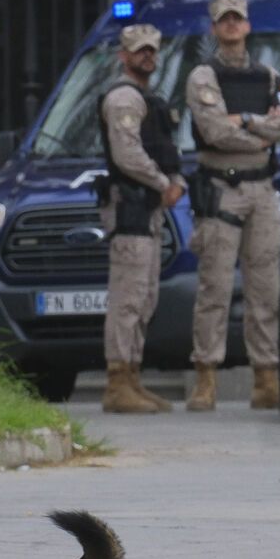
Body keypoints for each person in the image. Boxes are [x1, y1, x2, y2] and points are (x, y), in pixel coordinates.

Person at [183, 0, 280, 411]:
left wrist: (247, 119)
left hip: (263, 190)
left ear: (248, 26)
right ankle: (206, 378)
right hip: (221, 189)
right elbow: (215, 132)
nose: (232, 26)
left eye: (238, 19)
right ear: (214, 29)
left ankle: (266, 377)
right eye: (224, 20)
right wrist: (263, 131)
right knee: (214, 285)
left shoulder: (269, 76)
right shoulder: (202, 77)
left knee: (265, 286)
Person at [97, 23, 186, 414]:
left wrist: (173, 181)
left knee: (145, 296)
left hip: (147, 208)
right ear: (123, 55)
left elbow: (165, 148)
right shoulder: (123, 100)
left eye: (151, 50)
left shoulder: (147, 99)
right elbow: (127, 155)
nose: (147, 56)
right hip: (131, 206)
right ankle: (118, 383)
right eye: (139, 50)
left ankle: (132, 377)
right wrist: (164, 183)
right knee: (129, 297)